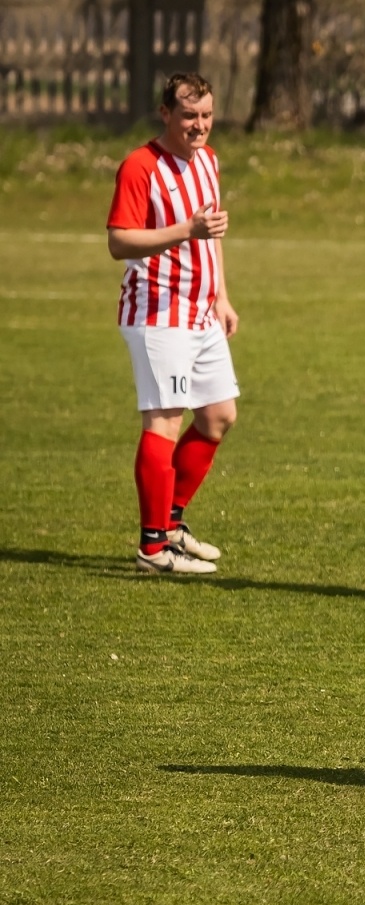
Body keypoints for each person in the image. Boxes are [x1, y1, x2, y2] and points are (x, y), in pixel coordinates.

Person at [107, 72, 238, 574]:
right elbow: (120, 241)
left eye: (206, 115)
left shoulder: (208, 160)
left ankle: (173, 522)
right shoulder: (141, 166)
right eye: (189, 116)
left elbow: (213, 235)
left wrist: (222, 296)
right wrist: (188, 229)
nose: (199, 125)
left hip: (200, 312)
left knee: (218, 416)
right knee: (164, 420)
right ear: (166, 114)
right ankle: (153, 547)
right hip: (157, 312)